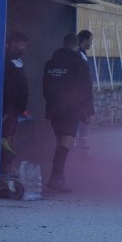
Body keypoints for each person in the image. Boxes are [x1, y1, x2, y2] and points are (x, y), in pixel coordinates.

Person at [42, 33, 94, 193]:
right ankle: (55, 179)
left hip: (54, 108)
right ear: (77, 45)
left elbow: (45, 86)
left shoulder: (51, 63)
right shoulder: (79, 63)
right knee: (66, 143)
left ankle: (59, 177)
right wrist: (88, 111)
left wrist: (51, 102)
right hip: (71, 109)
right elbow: (86, 89)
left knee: (60, 142)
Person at [1, 31, 29, 174]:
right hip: (8, 109)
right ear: (11, 44)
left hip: (15, 109)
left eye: (24, 44)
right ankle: (2, 171)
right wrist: (7, 110)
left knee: (9, 139)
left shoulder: (18, 61)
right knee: (4, 140)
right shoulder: (5, 61)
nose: (23, 47)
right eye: (20, 44)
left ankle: (7, 169)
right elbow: (7, 87)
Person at [76, 29, 94, 150]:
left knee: (84, 126)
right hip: (80, 98)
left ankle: (82, 151)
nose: (91, 44)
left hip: (83, 97)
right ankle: (79, 152)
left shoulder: (82, 54)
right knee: (81, 125)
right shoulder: (78, 55)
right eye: (90, 41)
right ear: (84, 40)